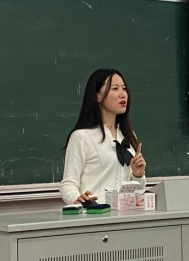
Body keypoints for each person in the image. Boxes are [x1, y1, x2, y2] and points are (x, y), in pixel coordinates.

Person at [60, 68, 146, 205]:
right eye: (115, 88)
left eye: (124, 88)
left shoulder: (127, 135)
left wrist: (138, 175)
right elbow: (68, 184)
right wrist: (78, 199)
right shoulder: (82, 137)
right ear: (97, 97)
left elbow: (137, 192)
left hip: (126, 214)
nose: (123, 94)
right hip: (95, 213)